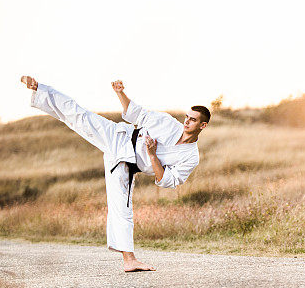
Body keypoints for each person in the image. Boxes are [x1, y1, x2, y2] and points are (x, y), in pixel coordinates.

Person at [20, 76, 208, 271]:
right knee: (80, 116)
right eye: (187, 117)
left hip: (125, 165)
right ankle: (39, 88)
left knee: (122, 209)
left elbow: (166, 180)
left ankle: (129, 260)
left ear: (202, 126)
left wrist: (152, 156)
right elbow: (137, 113)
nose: (186, 122)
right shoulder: (168, 122)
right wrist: (120, 93)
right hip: (120, 138)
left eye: (192, 120)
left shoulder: (191, 157)